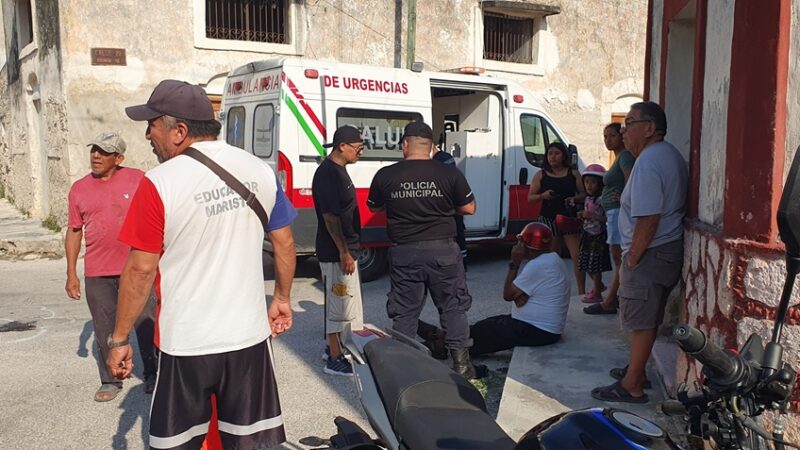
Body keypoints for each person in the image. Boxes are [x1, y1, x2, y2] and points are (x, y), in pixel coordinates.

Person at [106, 79, 298, 449]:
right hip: (248, 339)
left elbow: (140, 270)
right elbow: (285, 243)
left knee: (180, 442)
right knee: (248, 441)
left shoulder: (159, 183)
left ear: (179, 131)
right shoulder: (258, 169)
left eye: (152, 124)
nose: (147, 134)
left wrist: (118, 339)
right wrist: (282, 298)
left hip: (187, 344)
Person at [367, 121, 479, 379]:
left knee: (405, 311)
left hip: (404, 252)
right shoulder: (449, 174)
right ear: (430, 147)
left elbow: (374, 207)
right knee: (453, 307)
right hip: (443, 251)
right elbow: (470, 208)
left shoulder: (386, 174)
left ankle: (406, 371)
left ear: (405, 144)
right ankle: (462, 367)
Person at [591, 101, 687, 404]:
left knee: (641, 320)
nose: (623, 131)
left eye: (629, 123)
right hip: (663, 250)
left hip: (650, 253)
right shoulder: (665, 155)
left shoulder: (648, 161)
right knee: (649, 316)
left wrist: (632, 257)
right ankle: (638, 371)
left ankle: (632, 384)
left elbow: (649, 217)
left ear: (649, 128)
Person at [65, 131, 157, 402]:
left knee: (146, 322)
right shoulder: (79, 189)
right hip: (98, 271)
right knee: (104, 327)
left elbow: (155, 215)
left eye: (103, 152)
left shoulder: (138, 179)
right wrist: (71, 273)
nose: (95, 155)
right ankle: (110, 379)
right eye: (94, 150)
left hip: (136, 267)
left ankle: (153, 373)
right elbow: (73, 231)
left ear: (119, 158)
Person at [418, 222, 570, 357]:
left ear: (526, 245)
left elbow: (507, 294)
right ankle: (440, 335)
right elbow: (518, 294)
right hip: (536, 326)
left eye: (520, 242)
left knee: (483, 334)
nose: (517, 245)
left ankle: (439, 343)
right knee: (486, 324)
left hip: (536, 330)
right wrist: (518, 295)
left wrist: (515, 263)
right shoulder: (552, 259)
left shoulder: (537, 265)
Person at [313, 125, 365, 377]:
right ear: (342, 146)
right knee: (338, 305)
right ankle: (333, 358)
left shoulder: (338, 170)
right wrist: (344, 252)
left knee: (342, 303)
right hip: (335, 253)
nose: (360, 152)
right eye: (358, 148)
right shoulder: (328, 174)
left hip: (343, 250)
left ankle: (333, 347)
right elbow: (330, 217)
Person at [584, 123, 635, 315]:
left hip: (617, 213)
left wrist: (622, 196)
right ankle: (616, 296)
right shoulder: (619, 157)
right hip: (613, 212)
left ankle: (611, 299)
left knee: (619, 257)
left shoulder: (625, 157)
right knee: (617, 256)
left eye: (612, 136)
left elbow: (631, 180)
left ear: (621, 136)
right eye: (605, 136)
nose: (607, 140)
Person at [527, 142, 586, 294]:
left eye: (556, 153)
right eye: (550, 153)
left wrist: (575, 198)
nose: (553, 156)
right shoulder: (541, 174)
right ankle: (552, 290)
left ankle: (581, 291)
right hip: (548, 219)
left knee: (577, 256)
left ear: (564, 155)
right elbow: (530, 198)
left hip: (569, 219)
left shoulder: (573, 174)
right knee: (552, 257)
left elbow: (583, 194)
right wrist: (543, 195)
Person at [577, 164, 612, 303]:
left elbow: (608, 218)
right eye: (586, 182)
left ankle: (597, 292)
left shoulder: (602, 200)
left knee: (595, 266)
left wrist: (592, 216)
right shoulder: (587, 199)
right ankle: (599, 286)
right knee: (584, 264)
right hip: (587, 234)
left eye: (593, 182)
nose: (589, 186)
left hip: (598, 236)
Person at [431, 145, 468, 270]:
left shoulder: (437, 160)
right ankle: (462, 263)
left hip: (448, 203)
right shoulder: (446, 157)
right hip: (455, 201)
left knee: (454, 235)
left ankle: (458, 264)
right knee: (459, 234)